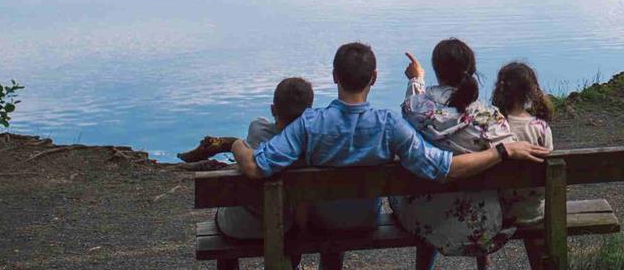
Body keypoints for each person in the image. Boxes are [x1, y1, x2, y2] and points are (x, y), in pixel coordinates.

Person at [228, 43, 548, 270]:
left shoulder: (310, 124)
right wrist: (503, 149)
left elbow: (256, 168)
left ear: (335, 77)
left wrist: (236, 146)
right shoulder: (388, 124)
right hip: (365, 219)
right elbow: (444, 168)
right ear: (374, 78)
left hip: (321, 223)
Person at [392, 39, 514, 262]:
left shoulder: (414, 109)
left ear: (437, 71)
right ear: (471, 70)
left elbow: (412, 101)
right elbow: (511, 149)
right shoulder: (489, 118)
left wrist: (416, 78)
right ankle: (483, 262)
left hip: (422, 216)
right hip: (481, 220)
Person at [196, 77, 316, 240]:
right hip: (285, 225)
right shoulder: (311, 142)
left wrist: (236, 144)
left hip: (239, 225)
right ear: (308, 113)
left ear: (273, 109)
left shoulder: (257, 128)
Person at [490, 62, 555, 226]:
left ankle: (485, 253)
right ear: (531, 91)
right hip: (534, 209)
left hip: (500, 210)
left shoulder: (493, 127)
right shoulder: (541, 128)